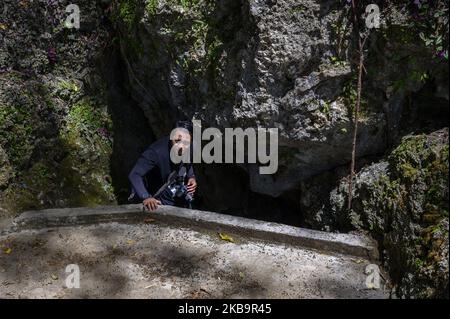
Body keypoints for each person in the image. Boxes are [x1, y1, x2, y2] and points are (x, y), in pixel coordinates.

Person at [128, 121, 197, 211]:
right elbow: (135, 174)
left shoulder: (189, 147)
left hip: (170, 186)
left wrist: (191, 176)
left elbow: (188, 162)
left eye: (186, 143)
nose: (181, 146)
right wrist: (146, 196)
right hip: (151, 191)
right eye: (177, 141)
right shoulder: (156, 152)